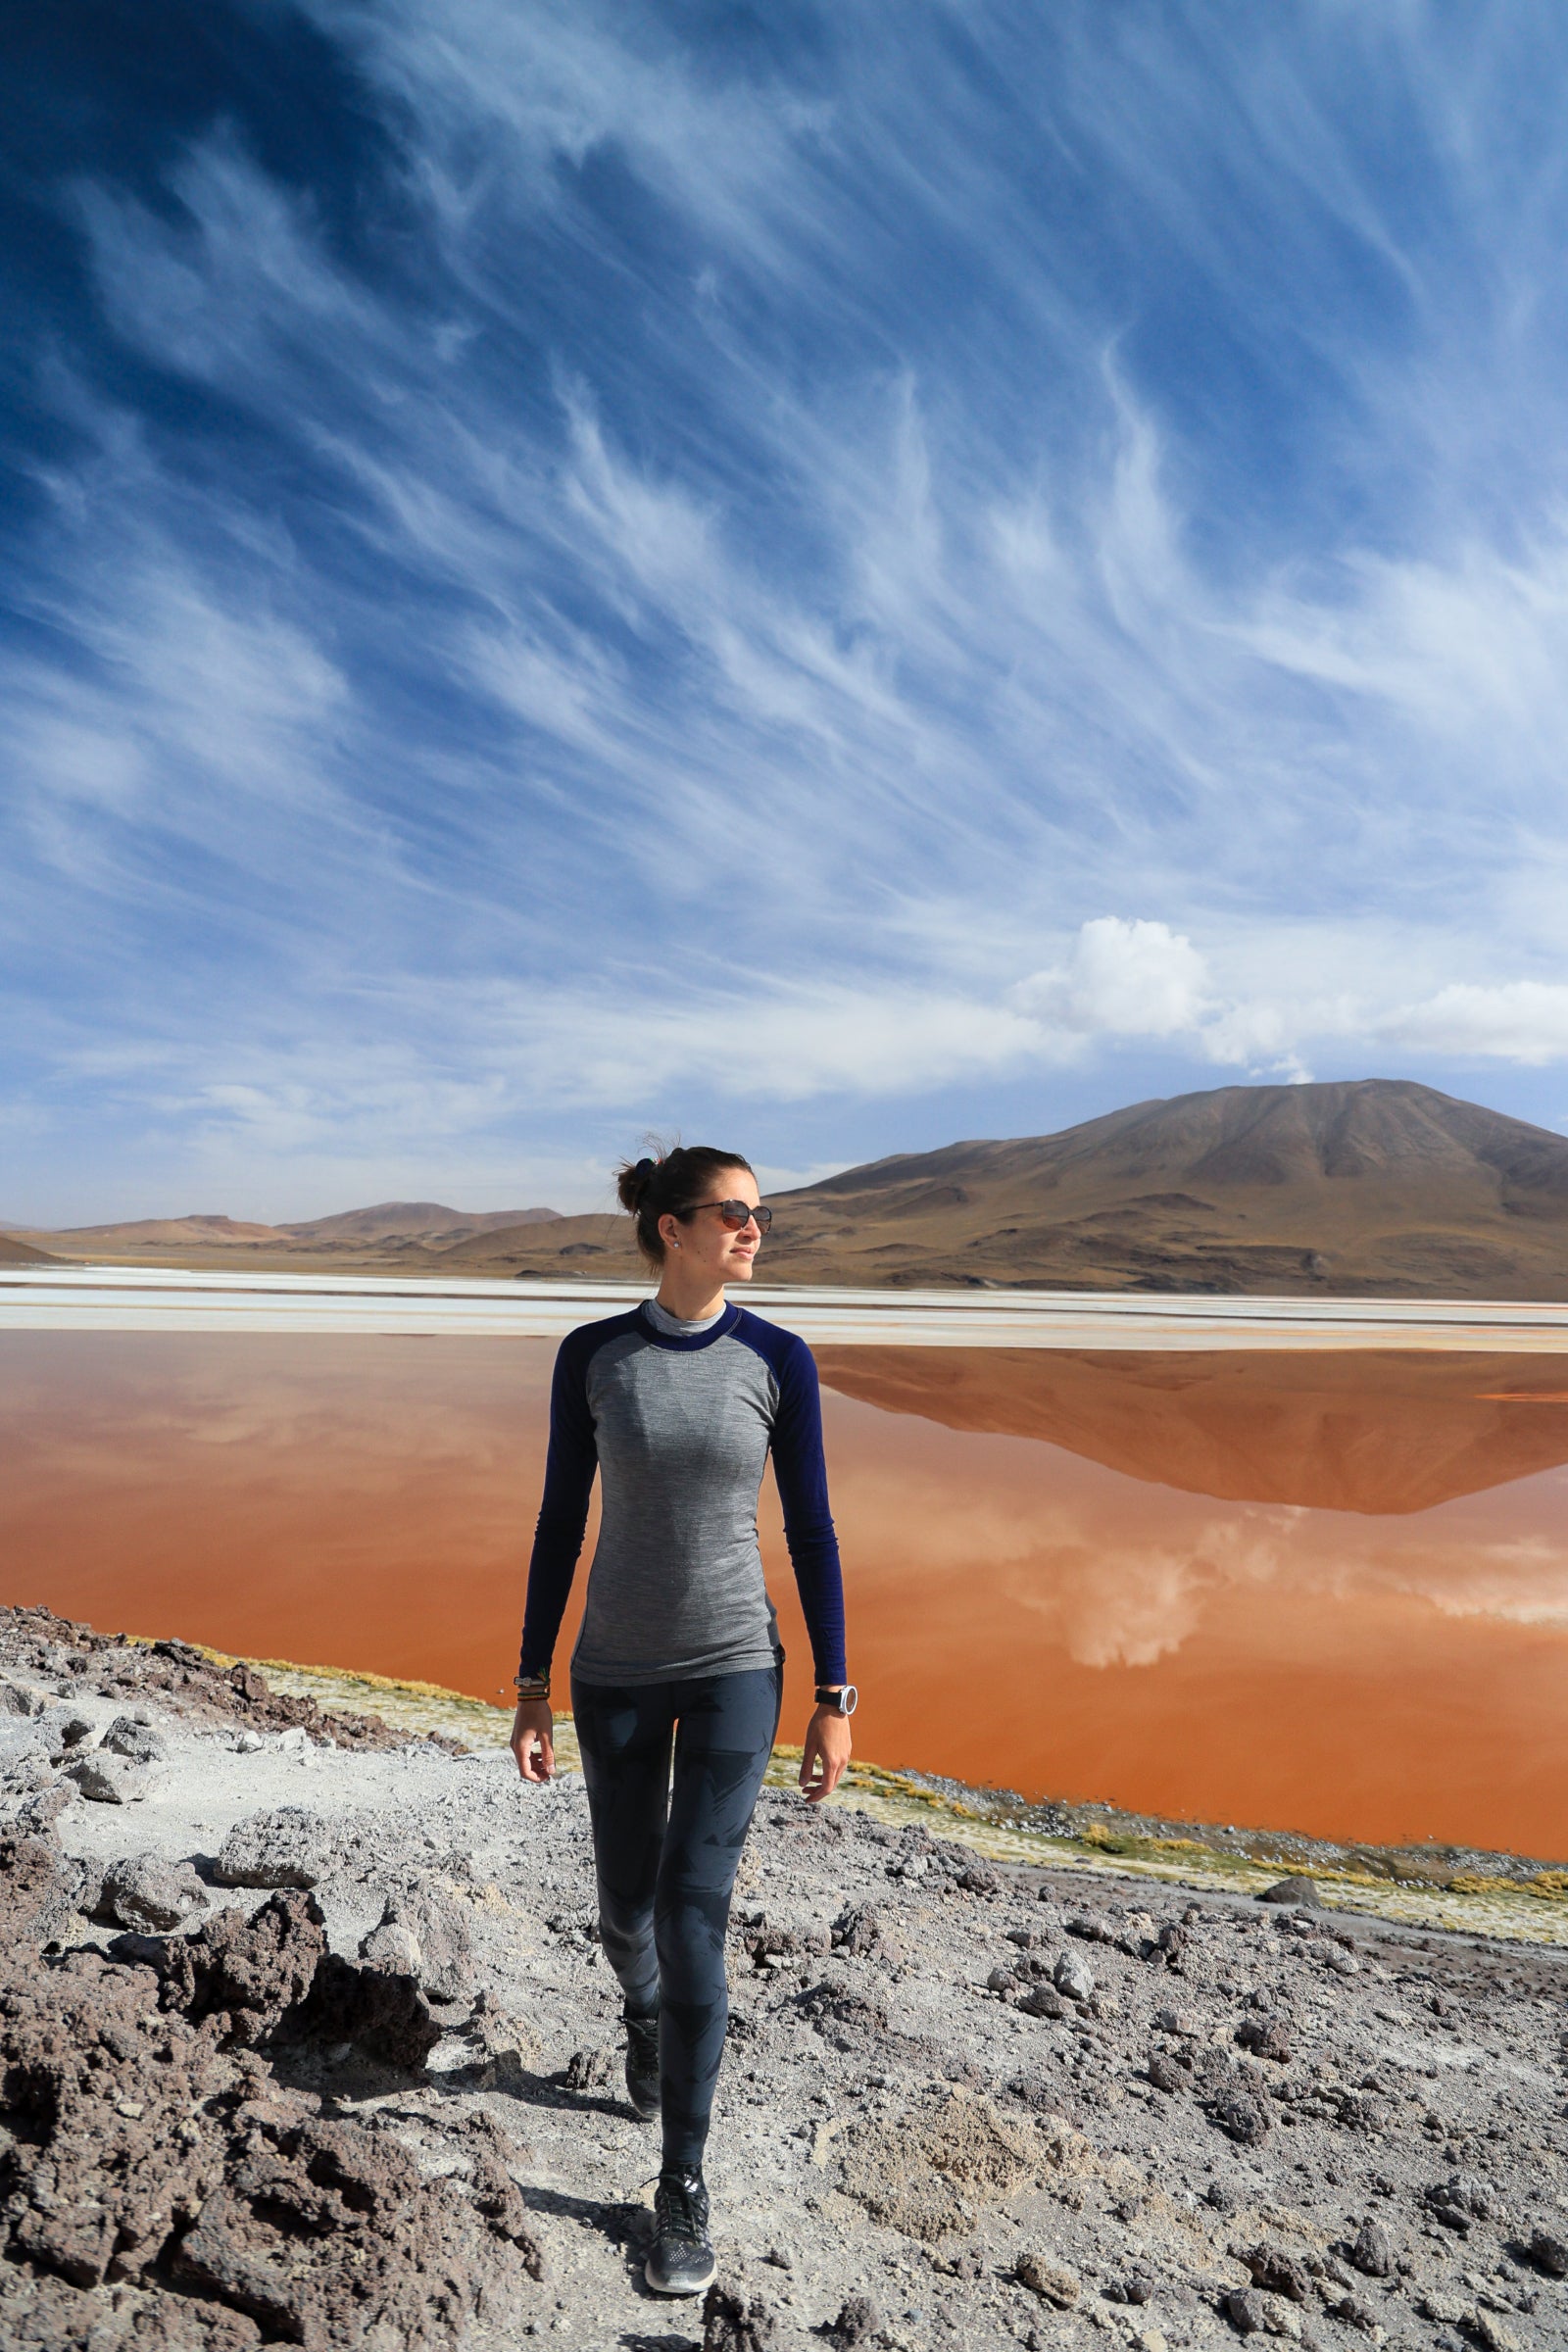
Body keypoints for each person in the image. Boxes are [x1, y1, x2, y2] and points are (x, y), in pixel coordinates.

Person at [509, 1144, 857, 2297]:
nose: (755, 1232)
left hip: (733, 1670)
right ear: (671, 1228)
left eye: (760, 1216)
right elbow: (560, 1522)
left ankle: (682, 2186)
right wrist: (529, 1686)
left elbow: (812, 1533)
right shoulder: (594, 1357)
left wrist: (832, 1697)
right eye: (733, 1214)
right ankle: (642, 2018)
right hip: (612, 1671)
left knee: (692, 1916)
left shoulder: (778, 1360)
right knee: (624, 1913)